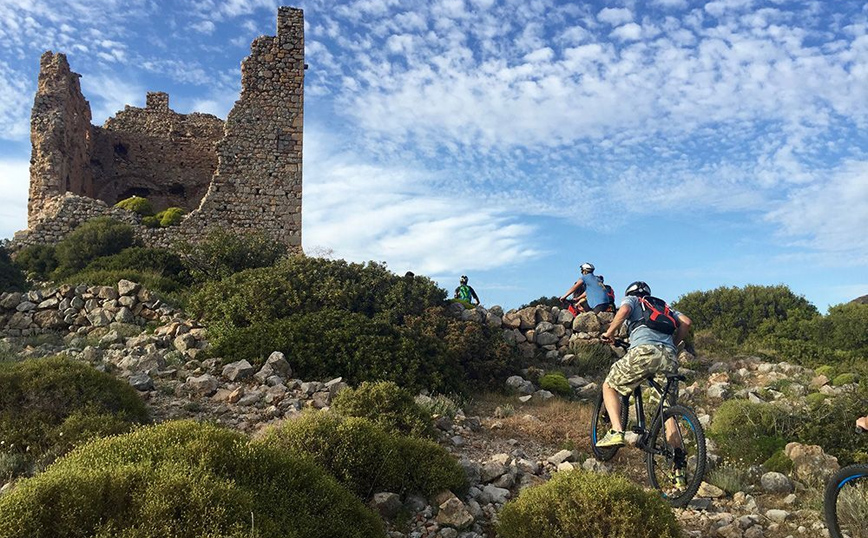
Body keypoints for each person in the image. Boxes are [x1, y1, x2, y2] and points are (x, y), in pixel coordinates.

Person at [596, 281, 692, 452]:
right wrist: (673, 345)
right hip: (669, 356)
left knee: (609, 385)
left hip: (643, 351)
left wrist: (608, 333)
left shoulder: (633, 300)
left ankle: (617, 431)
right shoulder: (664, 306)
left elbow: (624, 311)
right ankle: (678, 466)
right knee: (667, 409)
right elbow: (686, 322)